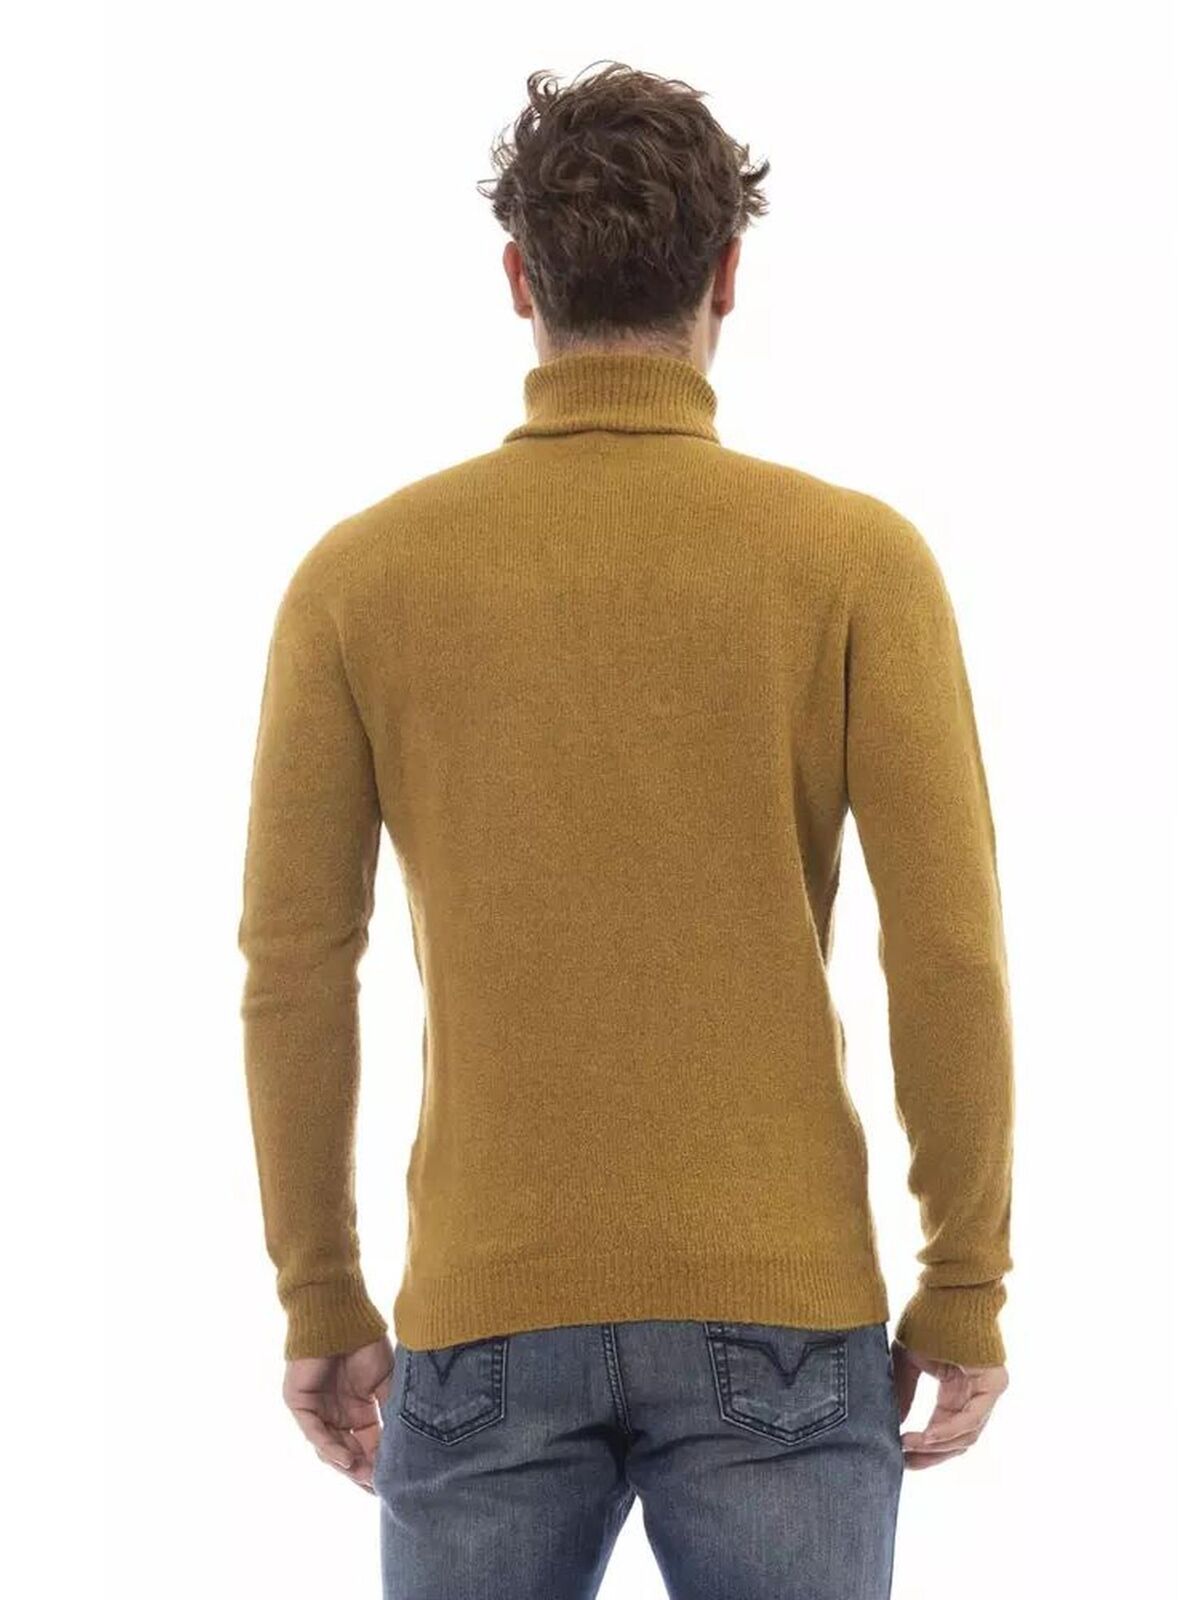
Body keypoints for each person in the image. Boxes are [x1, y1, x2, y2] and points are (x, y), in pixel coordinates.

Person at [237, 60, 1015, 1600]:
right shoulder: (855, 561)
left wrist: (320, 1293)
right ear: (726, 275)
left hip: (484, 1312)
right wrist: (965, 1283)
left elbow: (294, 969)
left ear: (518, 278)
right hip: (782, 1311)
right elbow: (948, 955)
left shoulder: (359, 579)